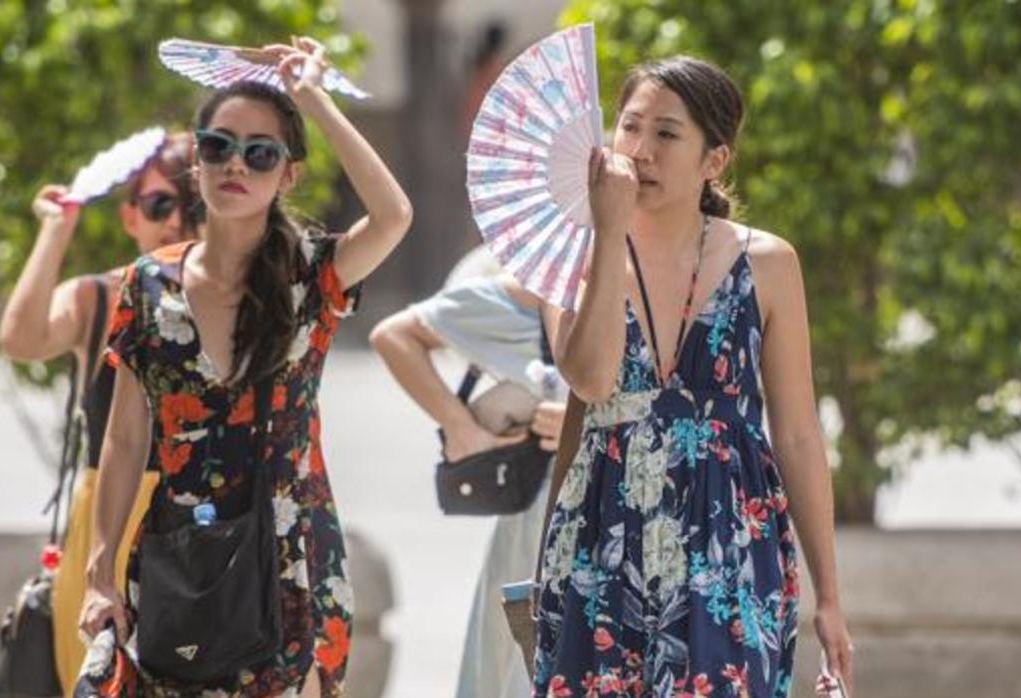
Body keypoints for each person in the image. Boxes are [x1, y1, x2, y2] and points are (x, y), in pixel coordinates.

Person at [75, 37, 411, 697]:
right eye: (217, 146)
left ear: (287, 174)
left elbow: (395, 214)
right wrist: (99, 568)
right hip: (180, 553)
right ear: (196, 160)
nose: (236, 165)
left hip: (293, 552)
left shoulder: (312, 272)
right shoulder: (148, 285)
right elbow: (124, 438)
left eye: (261, 153)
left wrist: (312, 97)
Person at [531, 56, 855, 696]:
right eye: (629, 128)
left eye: (666, 134)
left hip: (729, 541)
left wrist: (830, 596)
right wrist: (607, 232)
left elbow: (794, 433)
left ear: (715, 160)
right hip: (601, 537)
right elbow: (590, 385)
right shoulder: (571, 253)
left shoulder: (768, 262)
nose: (640, 151)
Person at [0, 131, 198, 696]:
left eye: (192, 205)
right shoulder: (100, 297)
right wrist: (56, 229)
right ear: (131, 216)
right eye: (160, 204)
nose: (176, 220)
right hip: (107, 520)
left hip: (198, 524)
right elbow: (21, 339)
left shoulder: (232, 300)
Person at [369, 247, 566, 698]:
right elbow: (394, 336)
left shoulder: (672, 299)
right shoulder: (529, 298)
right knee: (521, 672)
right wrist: (460, 428)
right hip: (537, 531)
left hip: (635, 521)